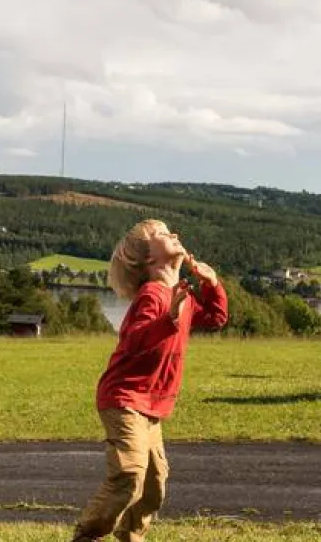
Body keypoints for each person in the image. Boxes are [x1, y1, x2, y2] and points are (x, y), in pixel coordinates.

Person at [71, 220, 229, 542]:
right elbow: (133, 340)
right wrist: (169, 318)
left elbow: (216, 318)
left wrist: (212, 284)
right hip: (125, 398)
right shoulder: (153, 295)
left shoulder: (180, 295)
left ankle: (131, 536)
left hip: (151, 406)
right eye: (161, 234)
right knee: (130, 474)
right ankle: (87, 534)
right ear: (148, 259)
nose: (173, 234)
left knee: (154, 487)